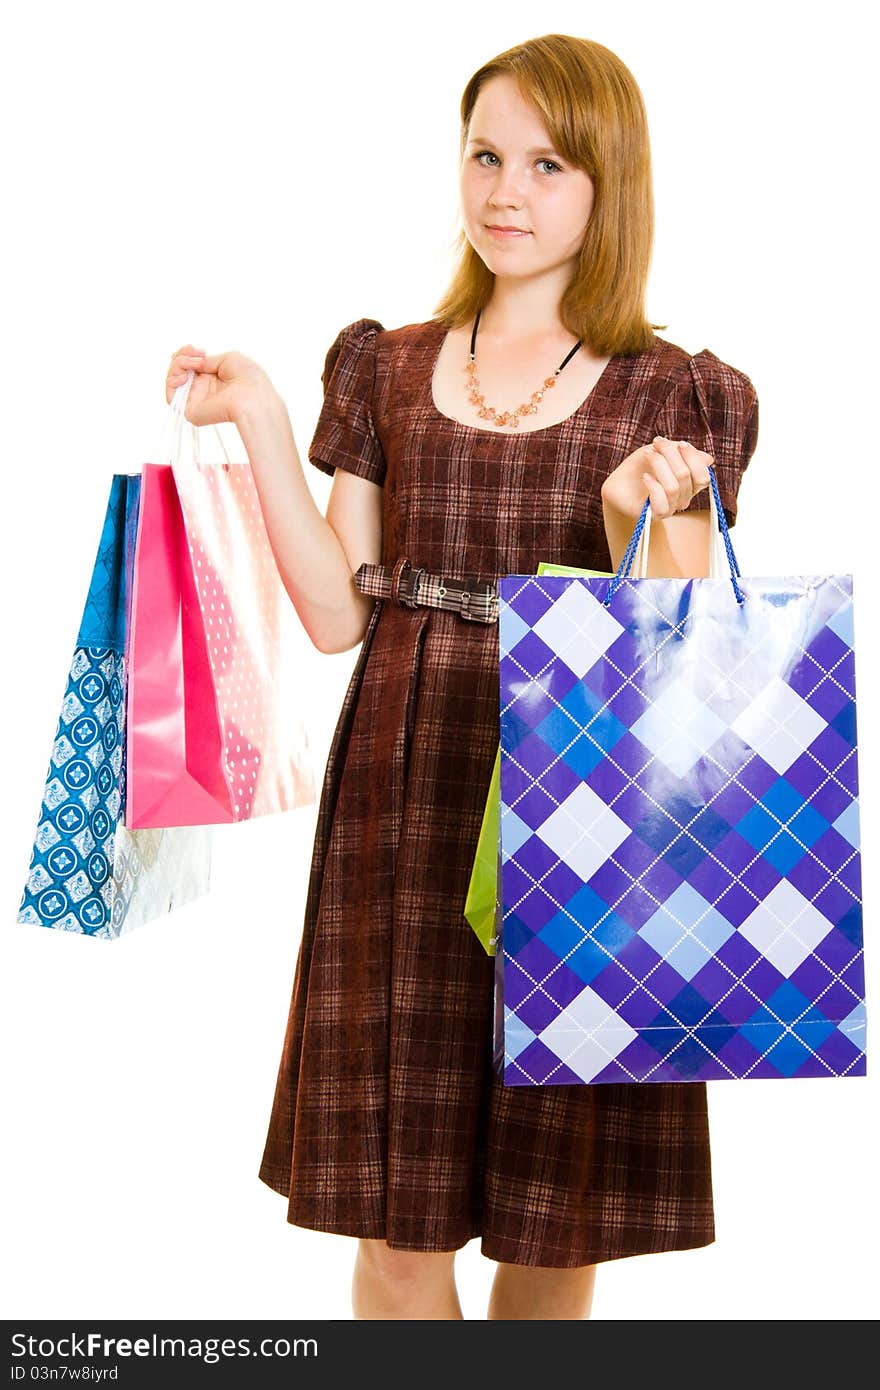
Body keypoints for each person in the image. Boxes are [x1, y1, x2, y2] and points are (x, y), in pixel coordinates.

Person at [164, 32, 759, 1320]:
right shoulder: (385, 366)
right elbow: (336, 610)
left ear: (610, 184)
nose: (506, 191)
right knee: (395, 1221)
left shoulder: (674, 393)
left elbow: (688, 644)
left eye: (548, 164)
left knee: (554, 1226)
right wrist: (266, 417)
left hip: (589, 805)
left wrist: (634, 522)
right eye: (486, 155)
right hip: (405, 780)